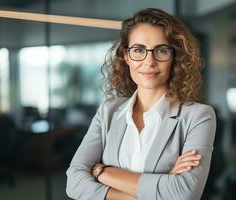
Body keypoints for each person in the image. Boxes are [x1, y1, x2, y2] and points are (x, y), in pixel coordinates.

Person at [66, 8, 216, 200]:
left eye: (161, 50)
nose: (149, 61)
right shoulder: (108, 111)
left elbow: (183, 193)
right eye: (138, 50)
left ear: (175, 57)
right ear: (126, 56)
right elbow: (74, 183)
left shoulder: (198, 116)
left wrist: (101, 172)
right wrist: (160, 186)